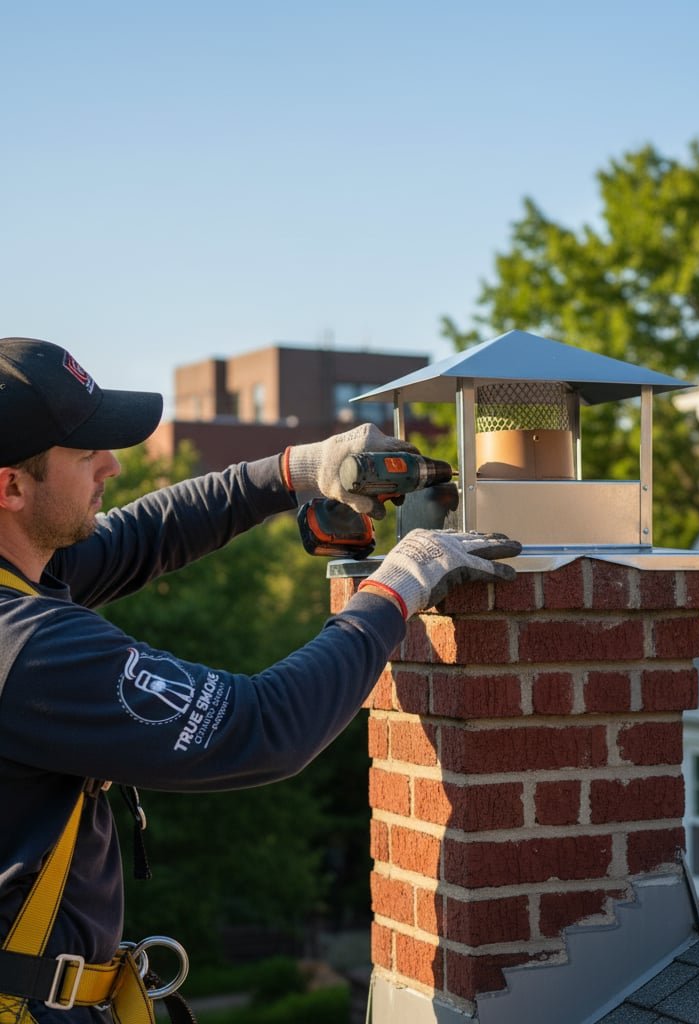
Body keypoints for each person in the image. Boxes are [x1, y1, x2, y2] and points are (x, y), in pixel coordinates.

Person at [0, 337, 521, 1024]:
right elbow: (260, 727)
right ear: (11, 487)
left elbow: (145, 533)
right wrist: (397, 588)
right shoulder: (27, 646)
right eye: (85, 452)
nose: (113, 465)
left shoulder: (25, 568)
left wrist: (296, 470)